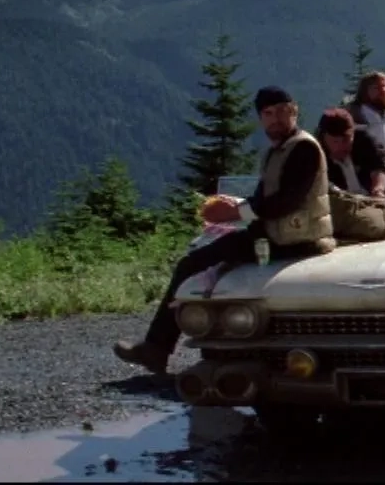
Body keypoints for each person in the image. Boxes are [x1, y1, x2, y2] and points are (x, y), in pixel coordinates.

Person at [112, 86, 336, 375]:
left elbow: (287, 201)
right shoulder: (276, 151)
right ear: (260, 119)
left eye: (282, 111)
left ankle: (158, 348)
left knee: (192, 265)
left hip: (299, 239)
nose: (275, 119)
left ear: (294, 111)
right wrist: (237, 209)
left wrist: (235, 212)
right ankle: (174, 345)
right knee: (202, 262)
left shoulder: (303, 147)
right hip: (279, 235)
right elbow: (263, 199)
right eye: (268, 114)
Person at [317, 107, 385, 197]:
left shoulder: (364, 141)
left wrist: (378, 189)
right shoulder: (316, 156)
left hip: (370, 201)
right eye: (335, 141)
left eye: (346, 140)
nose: (341, 146)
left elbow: (379, 167)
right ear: (324, 138)